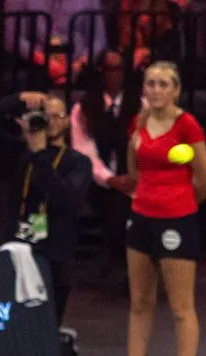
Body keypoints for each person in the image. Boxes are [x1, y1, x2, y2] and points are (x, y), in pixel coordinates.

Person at [99, 61, 206, 356]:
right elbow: (134, 173)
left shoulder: (187, 124)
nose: (156, 89)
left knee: (181, 306)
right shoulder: (138, 122)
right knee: (139, 302)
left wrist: (180, 206)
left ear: (176, 90)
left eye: (164, 84)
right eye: (150, 83)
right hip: (141, 217)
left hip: (177, 221)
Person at [0, 89, 90, 329]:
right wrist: (17, 99)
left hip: (53, 250)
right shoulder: (19, 152)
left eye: (57, 116)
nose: (51, 122)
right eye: (45, 116)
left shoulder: (77, 162)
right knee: (11, 322)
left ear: (67, 121)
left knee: (47, 325)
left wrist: (40, 154)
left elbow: (65, 198)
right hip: (15, 241)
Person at [71, 48, 138, 279]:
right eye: (109, 69)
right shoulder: (84, 108)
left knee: (128, 203)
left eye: (119, 69)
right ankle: (116, 259)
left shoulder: (140, 105)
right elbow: (84, 150)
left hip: (134, 178)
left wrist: (133, 177)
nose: (114, 75)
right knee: (115, 202)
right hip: (97, 181)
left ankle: (115, 258)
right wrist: (109, 179)